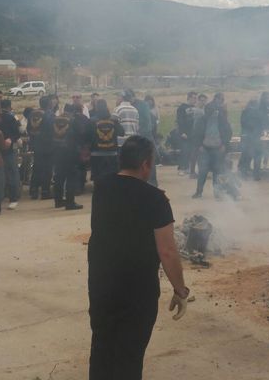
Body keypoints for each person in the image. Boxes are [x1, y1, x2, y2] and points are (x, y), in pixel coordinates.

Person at [88, 135, 188, 379]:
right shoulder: (155, 199)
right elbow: (167, 251)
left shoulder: (102, 187)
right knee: (129, 355)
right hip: (137, 290)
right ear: (145, 164)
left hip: (101, 284)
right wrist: (180, 290)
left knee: (102, 348)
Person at [192, 92, 232, 199]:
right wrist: (199, 146)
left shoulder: (222, 121)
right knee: (203, 171)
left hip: (218, 149)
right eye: (210, 110)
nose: (213, 112)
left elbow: (228, 133)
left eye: (215, 110)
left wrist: (224, 145)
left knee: (217, 172)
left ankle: (217, 193)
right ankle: (199, 192)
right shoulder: (202, 120)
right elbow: (196, 134)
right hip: (205, 149)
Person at [52, 105, 84, 210]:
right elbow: (80, 133)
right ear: (73, 112)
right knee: (71, 177)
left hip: (57, 152)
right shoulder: (73, 121)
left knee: (59, 177)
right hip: (70, 153)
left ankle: (58, 201)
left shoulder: (55, 121)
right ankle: (70, 202)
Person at [88, 99, 124, 181]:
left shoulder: (92, 120)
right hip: (112, 154)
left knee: (98, 181)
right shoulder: (113, 120)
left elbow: (87, 136)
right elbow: (122, 132)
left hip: (96, 155)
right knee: (111, 180)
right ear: (106, 107)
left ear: (97, 108)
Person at [28, 96, 55, 200]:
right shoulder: (50, 115)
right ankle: (45, 191)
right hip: (48, 146)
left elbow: (28, 129)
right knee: (47, 169)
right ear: (49, 104)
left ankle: (33, 191)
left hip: (36, 145)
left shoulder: (32, 114)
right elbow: (52, 129)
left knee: (37, 168)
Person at [0, 99, 21, 210]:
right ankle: (13, 198)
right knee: (11, 173)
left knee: (0, 174)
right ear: (9, 107)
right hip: (8, 149)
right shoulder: (12, 117)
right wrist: (11, 139)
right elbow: (18, 132)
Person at [176, 92, 197, 176]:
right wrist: (182, 132)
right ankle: (181, 168)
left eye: (196, 98)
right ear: (189, 98)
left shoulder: (196, 108)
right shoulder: (182, 108)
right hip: (185, 133)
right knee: (184, 151)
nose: (195, 100)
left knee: (191, 151)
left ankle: (188, 168)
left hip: (193, 133)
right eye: (194, 98)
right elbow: (179, 120)